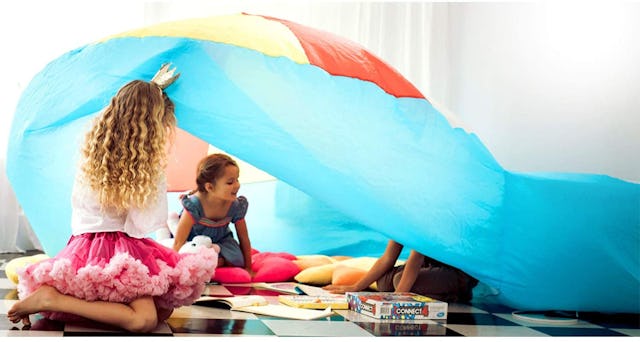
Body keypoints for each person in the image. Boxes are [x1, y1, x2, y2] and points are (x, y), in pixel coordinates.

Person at [7, 64, 218, 333]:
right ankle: (53, 298)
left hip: (84, 244)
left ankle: (73, 303)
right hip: (113, 247)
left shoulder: (96, 152)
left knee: (164, 309)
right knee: (144, 320)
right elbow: (143, 224)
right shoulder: (142, 166)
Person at [172, 153, 253, 275]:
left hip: (222, 240)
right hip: (195, 240)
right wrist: (174, 267)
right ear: (210, 187)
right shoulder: (195, 204)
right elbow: (179, 241)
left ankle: (213, 256)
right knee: (192, 255)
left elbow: (244, 238)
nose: (237, 185)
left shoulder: (235, 205)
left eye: (237, 179)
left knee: (237, 259)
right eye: (230, 182)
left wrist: (248, 268)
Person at [324, 240, 478, 303]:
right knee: (383, 282)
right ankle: (429, 288)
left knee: (399, 282)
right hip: (428, 265)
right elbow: (387, 258)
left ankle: (456, 292)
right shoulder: (400, 221)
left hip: (456, 272)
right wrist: (356, 287)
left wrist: (396, 298)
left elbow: (415, 259)